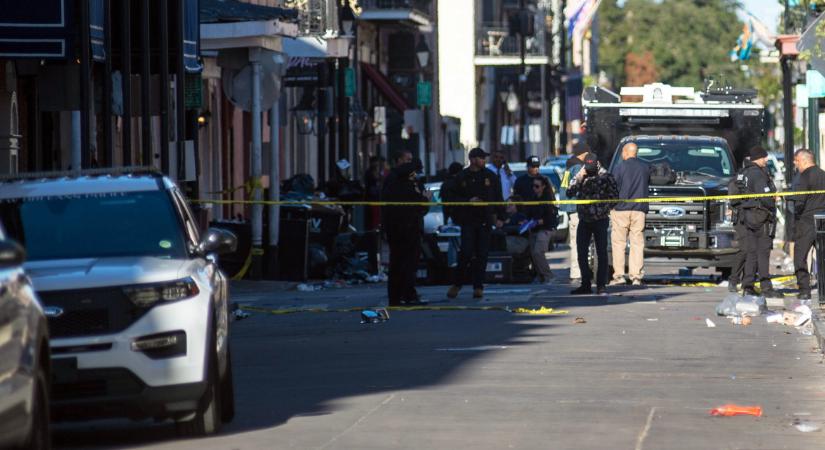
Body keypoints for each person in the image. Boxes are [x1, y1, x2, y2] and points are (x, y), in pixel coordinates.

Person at [447, 148, 505, 300]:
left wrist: (501, 217)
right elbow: (451, 197)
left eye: (484, 158)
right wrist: (468, 202)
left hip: (485, 220)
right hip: (468, 220)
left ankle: (478, 286)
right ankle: (457, 284)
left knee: (482, 254)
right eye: (480, 158)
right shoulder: (462, 177)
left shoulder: (490, 176)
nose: (483, 161)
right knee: (466, 252)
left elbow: (499, 198)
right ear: (472, 159)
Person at [566, 153, 619, 295]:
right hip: (584, 219)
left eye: (591, 168)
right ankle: (585, 284)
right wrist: (580, 176)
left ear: (597, 164)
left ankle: (601, 285)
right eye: (587, 168)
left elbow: (615, 197)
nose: (589, 171)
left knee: (601, 253)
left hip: (600, 219)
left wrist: (604, 208)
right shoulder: (581, 174)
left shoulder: (606, 176)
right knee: (581, 252)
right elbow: (569, 192)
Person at [382, 161, 430, 306]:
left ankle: (395, 298)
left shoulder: (391, 187)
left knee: (396, 264)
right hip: (409, 231)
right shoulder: (409, 189)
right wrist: (426, 198)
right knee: (408, 264)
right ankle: (408, 294)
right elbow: (420, 208)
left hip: (394, 231)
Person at [739, 146, 781, 298]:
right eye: (764, 157)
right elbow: (765, 197)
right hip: (761, 218)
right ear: (758, 158)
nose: (766, 159)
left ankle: (748, 286)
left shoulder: (745, 172)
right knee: (763, 253)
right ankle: (766, 287)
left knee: (751, 253)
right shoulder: (758, 174)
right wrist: (773, 200)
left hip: (748, 217)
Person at [609, 142, 650, 286]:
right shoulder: (645, 168)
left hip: (621, 209)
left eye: (622, 152)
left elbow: (612, 187)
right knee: (637, 244)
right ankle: (636, 277)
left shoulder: (619, 168)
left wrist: (610, 206)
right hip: (639, 210)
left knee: (619, 243)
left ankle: (619, 275)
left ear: (626, 152)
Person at [791, 148, 825, 300]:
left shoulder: (803, 177)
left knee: (800, 255)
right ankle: (822, 290)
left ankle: (804, 289)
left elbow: (799, 200)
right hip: (822, 219)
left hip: (806, 221)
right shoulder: (823, 174)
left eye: (796, 160)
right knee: (822, 255)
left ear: (804, 160)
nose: (795, 163)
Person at [560, 144, 589, 282]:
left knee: (575, 241)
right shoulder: (578, 168)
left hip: (571, 208)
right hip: (577, 208)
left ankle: (576, 271)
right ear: (583, 154)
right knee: (579, 242)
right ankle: (577, 272)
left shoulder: (569, 166)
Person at [526, 175, 558, 283]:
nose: (534, 188)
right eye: (533, 186)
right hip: (534, 229)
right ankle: (541, 276)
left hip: (545, 229)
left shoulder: (548, 199)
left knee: (538, 252)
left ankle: (549, 276)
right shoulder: (532, 198)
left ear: (543, 187)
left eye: (537, 186)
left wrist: (538, 221)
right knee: (533, 254)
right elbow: (529, 213)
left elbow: (550, 218)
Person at [727, 157, 751, 293]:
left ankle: (747, 282)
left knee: (751, 250)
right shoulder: (738, 180)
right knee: (744, 249)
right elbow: (734, 198)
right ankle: (734, 279)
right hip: (742, 218)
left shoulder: (757, 176)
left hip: (754, 218)